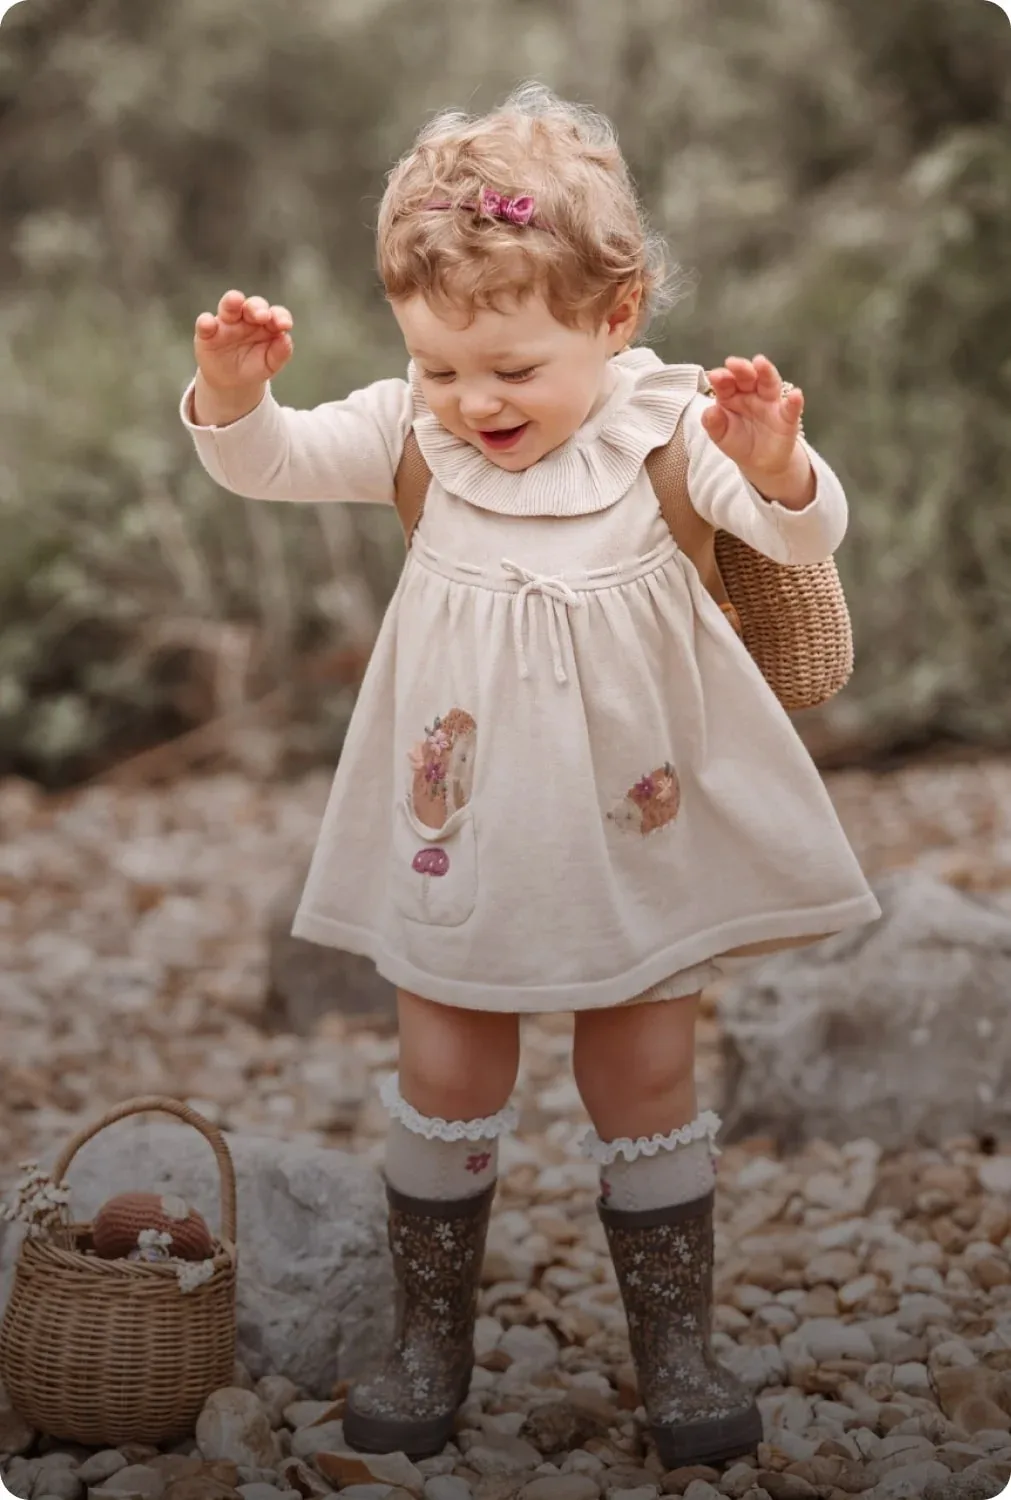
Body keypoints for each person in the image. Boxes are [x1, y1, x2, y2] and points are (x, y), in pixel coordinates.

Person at [180, 83, 880, 1470]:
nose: (473, 402)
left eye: (508, 367)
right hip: (459, 834)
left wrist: (779, 463)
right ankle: (428, 1338)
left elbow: (799, 539)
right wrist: (234, 396)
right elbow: (268, 463)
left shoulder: (666, 434)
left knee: (644, 1072)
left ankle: (675, 1349)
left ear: (614, 318)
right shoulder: (412, 436)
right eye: (439, 367)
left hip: (635, 831)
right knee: (444, 1068)